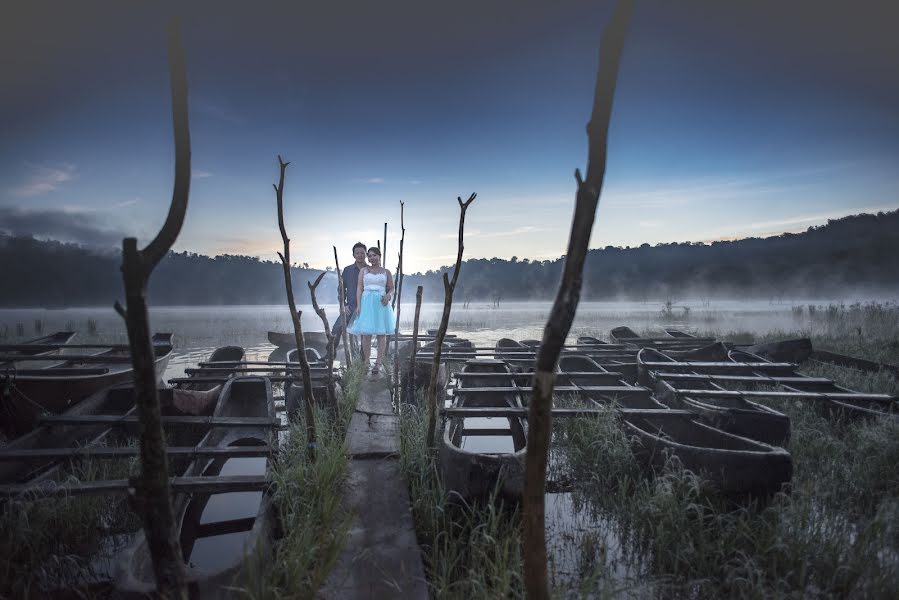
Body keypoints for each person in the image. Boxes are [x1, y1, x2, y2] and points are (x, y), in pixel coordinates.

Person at [347, 246, 396, 374]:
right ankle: (366, 362)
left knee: (381, 334)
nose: (371, 258)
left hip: (381, 303)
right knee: (366, 334)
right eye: (369, 256)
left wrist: (388, 295)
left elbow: (392, 288)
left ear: (379, 256)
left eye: (374, 255)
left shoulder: (386, 272)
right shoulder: (364, 271)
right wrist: (359, 305)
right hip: (366, 302)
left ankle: (378, 363)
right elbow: (359, 288)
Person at [330, 242, 368, 352]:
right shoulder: (348, 270)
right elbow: (341, 290)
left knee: (365, 334)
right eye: (357, 253)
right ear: (353, 255)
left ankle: (363, 359)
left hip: (366, 307)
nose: (360, 255)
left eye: (362, 253)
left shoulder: (370, 270)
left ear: (366, 254)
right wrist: (344, 304)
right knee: (336, 328)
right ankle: (329, 355)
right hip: (350, 307)